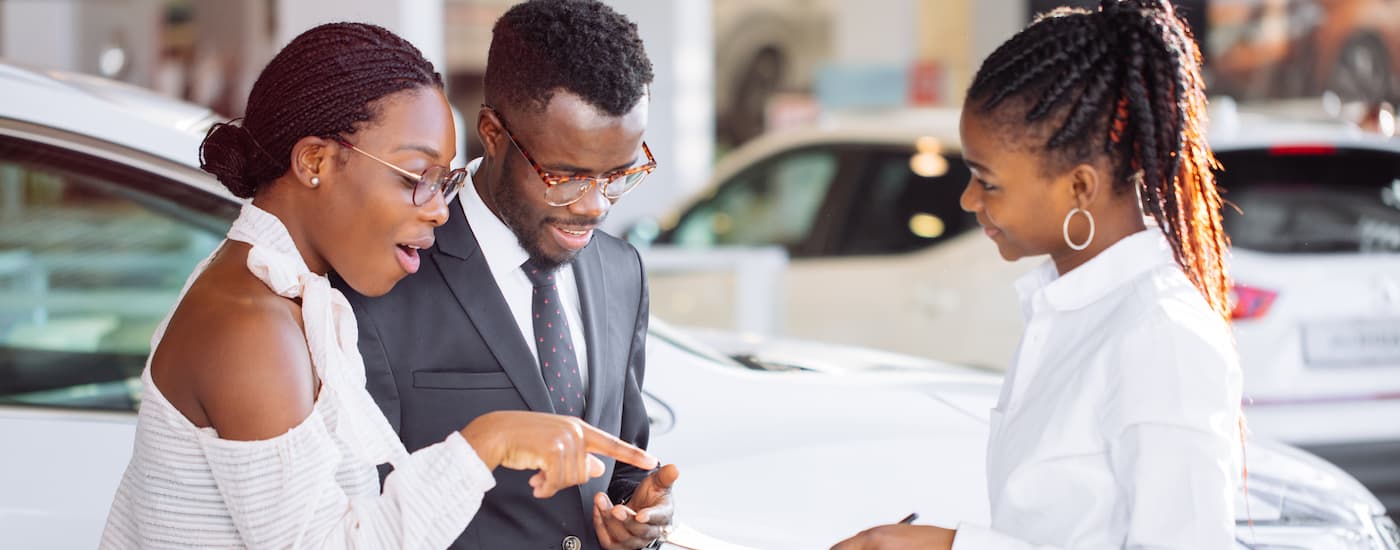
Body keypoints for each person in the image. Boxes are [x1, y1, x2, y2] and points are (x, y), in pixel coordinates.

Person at [100, 22, 657, 550]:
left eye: (446, 182)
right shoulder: (251, 325)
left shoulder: (293, 300)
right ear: (316, 161)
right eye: (418, 179)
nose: (440, 211)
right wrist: (484, 445)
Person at [832, 1, 1242, 548]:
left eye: (988, 182)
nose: (968, 198)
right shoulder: (1072, 311)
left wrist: (954, 546)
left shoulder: (1161, 337)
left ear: (1079, 187)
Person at [333, 2, 677, 549]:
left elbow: (622, 456)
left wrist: (639, 515)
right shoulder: (381, 275)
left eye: (619, 174)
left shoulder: (621, 270)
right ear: (493, 133)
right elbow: (358, 513)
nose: (594, 207)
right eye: (564, 176)